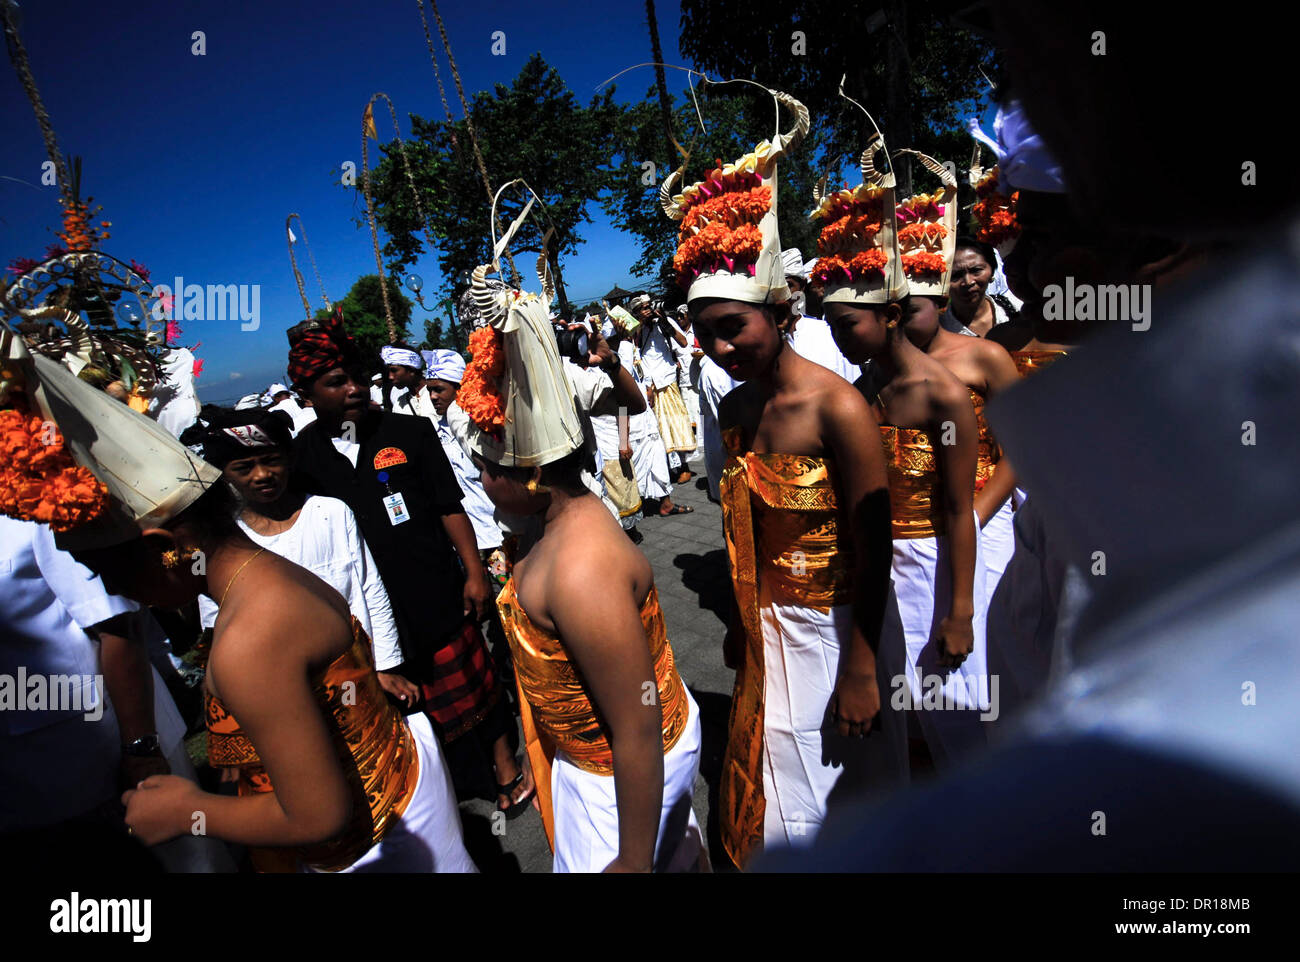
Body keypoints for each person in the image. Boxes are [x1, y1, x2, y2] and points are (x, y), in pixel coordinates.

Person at [0, 329, 474, 872]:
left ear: (162, 550)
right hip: (406, 798)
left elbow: (318, 815)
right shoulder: (269, 575)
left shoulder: (250, 640)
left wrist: (188, 810)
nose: (121, 595)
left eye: (111, 574)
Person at [665, 85, 903, 868]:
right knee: (779, 790)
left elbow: (876, 548)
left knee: (845, 796)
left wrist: (863, 667)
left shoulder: (838, 408)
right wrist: (739, 623)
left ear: (779, 310)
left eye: (733, 327)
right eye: (706, 336)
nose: (722, 348)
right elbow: (743, 533)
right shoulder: (734, 409)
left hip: (838, 632)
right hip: (767, 630)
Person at [459, 248, 704, 872]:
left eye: (489, 470)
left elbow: (638, 722)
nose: (482, 482)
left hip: (617, 778)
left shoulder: (580, 568)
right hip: (599, 767)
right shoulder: (550, 524)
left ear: (533, 473)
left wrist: (630, 858)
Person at [286, 313, 534, 817]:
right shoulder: (301, 459)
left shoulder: (410, 433)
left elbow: (449, 506)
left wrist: (473, 573)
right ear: (307, 393)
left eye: (359, 376)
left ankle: (506, 767)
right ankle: (443, 790)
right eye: (337, 382)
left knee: (476, 687)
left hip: (435, 589)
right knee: (410, 705)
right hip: (365, 612)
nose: (354, 388)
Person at [816, 116, 987, 769]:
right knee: (905, 715)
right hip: (880, 569)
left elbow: (955, 508)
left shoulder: (943, 393)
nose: (836, 338)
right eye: (828, 325)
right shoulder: (859, 392)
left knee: (955, 710)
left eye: (847, 323)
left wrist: (962, 610)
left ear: (890, 314)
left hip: (936, 566)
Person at [180, 405, 416, 709]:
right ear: (222, 473)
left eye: (270, 461)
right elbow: (216, 625)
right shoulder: (222, 542)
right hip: (280, 689)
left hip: (357, 671)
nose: (262, 475)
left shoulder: (330, 512)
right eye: (244, 468)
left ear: (289, 459)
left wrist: (385, 664)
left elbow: (369, 587)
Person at [895, 151, 1024, 595]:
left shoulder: (985, 355)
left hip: (985, 513)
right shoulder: (886, 370)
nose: (900, 322)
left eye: (910, 310)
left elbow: (1022, 446)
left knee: (993, 633)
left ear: (937, 304)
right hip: (913, 535)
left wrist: (973, 516)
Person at [628, 294, 695, 485]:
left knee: (676, 424)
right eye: (643, 308)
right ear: (636, 313)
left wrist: (665, 321)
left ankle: (684, 467)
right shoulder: (635, 330)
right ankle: (666, 468)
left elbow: (683, 343)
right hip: (648, 385)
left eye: (649, 306)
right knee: (657, 429)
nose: (648, 310)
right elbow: (635, 354)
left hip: (667, 380)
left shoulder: (665, 322)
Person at [781, 247, 860, 383]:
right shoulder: (757, 338)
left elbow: (854, 382)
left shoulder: (828, 334)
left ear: (802, 287)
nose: (782, 295)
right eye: (774, 288)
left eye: (788, 285)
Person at [942, 237, 1021, 337]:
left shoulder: (1018, 310)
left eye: (976, 270)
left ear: (992, 271)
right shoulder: (939, 329)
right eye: (956, 275)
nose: (968, 282)